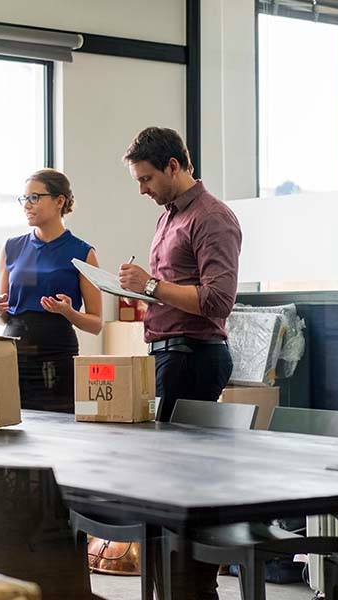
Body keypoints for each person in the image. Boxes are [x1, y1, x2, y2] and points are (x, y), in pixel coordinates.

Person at [118, 126, 242, 600]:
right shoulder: (167, 216)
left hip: (193, 356)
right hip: (168, 353)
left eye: (146, 179)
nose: (142, 189)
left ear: (174, 166)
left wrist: (149, 287)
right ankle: (174, 588)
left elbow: (217, 301)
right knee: (164, 485)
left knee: (183, 488)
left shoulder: (212, 218)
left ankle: (192, 591)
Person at [0, 168, 102, 413]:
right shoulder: (12, 248)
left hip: (57, 355)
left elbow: (96, 324)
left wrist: (69, 312)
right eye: (24, 199)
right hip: (14, 354)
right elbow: (3, 316)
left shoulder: (82, 253)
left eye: (34, 198)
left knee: (59, 433)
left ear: (59, 201)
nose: (27, 205)